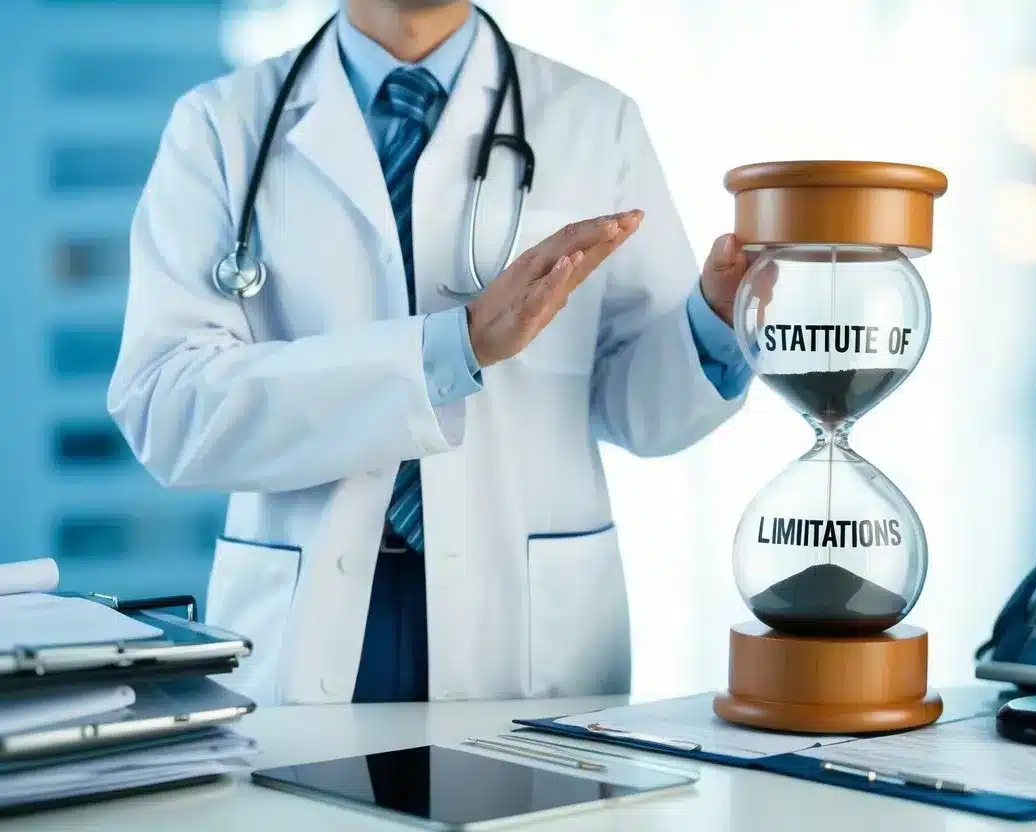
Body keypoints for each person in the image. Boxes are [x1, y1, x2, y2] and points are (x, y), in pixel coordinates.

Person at [107, 0, 755, 706]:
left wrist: (714, 322)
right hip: (309, 609)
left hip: (522, 617)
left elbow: (641, 412)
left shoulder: (593, 121)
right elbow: (167, 406)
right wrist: (451, 347)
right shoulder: (221, 124)